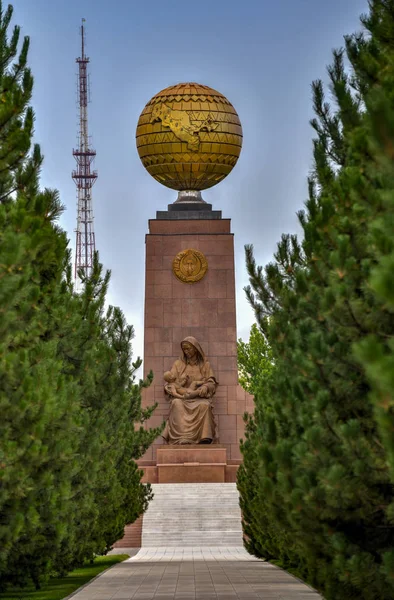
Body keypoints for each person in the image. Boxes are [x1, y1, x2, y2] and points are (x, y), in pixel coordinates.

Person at [162, 336, 218, 444]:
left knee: (205, 405)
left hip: (198, 398)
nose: (186, 351)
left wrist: (205, 387)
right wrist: (170, 388)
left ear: (196, 348)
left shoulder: (205, 365)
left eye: (188, 348)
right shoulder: (178, 364)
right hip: (182, 398)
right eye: (184, 349)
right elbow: (170, 381)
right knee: (176, 403)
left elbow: (211, 382)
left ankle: (204, 437)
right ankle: (181, 438)